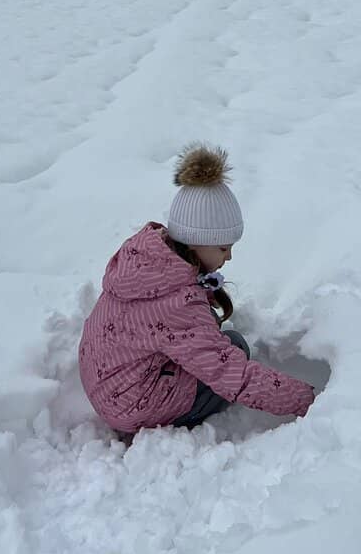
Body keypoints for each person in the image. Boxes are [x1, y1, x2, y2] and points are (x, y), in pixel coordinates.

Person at [79, 144, 315, 434]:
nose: (228, 257)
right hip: (133, 406)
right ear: (194, 241)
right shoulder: (178, 305)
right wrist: (307, 400)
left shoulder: (146, 264)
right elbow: (233, 376)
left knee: (214, 340)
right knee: (235, 346)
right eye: (223, 248)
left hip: (107, 382)